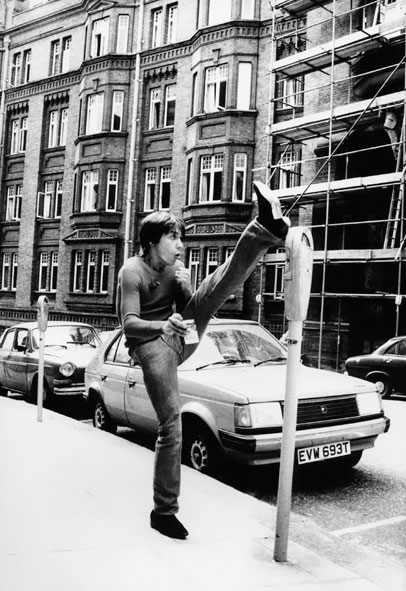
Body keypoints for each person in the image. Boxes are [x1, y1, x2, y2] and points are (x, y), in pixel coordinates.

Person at [116, 181, 290, 540]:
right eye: (173, 238)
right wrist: (163, 324)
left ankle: (264, 229)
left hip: (181, 337)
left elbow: (189, 308)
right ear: (151, 242)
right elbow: (129, 325)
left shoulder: (174, 269)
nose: (181, 245)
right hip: (150, 347)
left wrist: (184, 288)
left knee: (215, 287)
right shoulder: (130, 272)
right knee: (171, 426)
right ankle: (163, 512)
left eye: (181, 237)